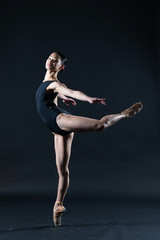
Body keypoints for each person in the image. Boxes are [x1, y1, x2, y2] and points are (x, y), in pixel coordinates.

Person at [35, 51, 143, 227]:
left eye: (55, 60)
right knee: (62, 170)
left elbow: (69, 90)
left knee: (100, 125)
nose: (51, 61)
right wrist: (64, 98)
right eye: (49, 57)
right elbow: (55, 94)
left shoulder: (55, 83)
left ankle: (124, 115)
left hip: (60, 121)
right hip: (56, 130)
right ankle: (58, 205)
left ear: (61, 67)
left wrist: (87, 99)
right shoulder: (48, 83)